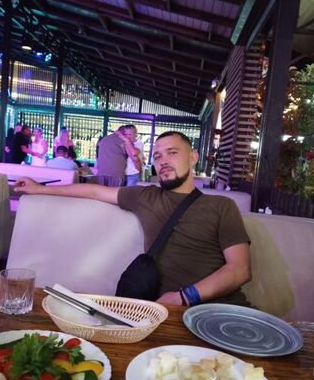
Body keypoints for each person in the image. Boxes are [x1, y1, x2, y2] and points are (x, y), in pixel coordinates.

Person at [14, 131, 251, 306]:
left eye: (172, 153)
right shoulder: (146, 196)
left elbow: (240, 269)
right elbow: (94, 191)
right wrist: (39, 189)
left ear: (192, 157)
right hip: (171, 314)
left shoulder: (221, 206)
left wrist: (184, 297)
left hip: (224, 308)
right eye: (157, 156)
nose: (163, 161)